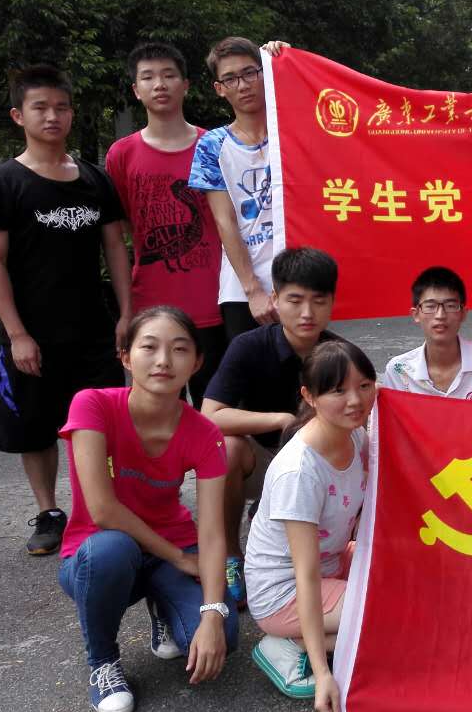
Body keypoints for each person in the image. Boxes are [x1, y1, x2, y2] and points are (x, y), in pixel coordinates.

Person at [0, 64, 131, 556]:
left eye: (61, 107)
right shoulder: (2, 184)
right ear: (18, 115)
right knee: (34, 427)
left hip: (93, 329)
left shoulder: (94, 179)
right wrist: (17, 333)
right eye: (40, 107)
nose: (52, 116)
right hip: (33, 332)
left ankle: (101, 508)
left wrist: (127, 314)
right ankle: (49, 513)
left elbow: (115, 249)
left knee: (102, 424)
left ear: (71, 113)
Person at [57, 307, 235, 712]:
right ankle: (103, 662)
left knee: (223, 637)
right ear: (125, 357)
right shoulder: (92, 405)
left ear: (197, 362)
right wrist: (177, 557)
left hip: (170, 548)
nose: (163, 361)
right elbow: (103, 510)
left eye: (179, 349)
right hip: (98, 553)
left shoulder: (206, 433)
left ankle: (163, 607)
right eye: (149, 347)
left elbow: (211, 532)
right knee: (111, 549)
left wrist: (212, 614)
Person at [201, 247, 342, 607]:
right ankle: (232, 555)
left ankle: (328, 553)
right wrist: (281, 420)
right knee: (228, 448)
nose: (307, 313)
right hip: (262, 459)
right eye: (295, 300)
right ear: (276, 299)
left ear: (332, 303)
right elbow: (210, 415)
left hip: (317, 466)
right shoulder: (248, 346)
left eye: (319, 301)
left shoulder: (339, 353)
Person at [246, 340, 375, 709]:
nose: (355, 400)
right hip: (284, 590)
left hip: (331, 561)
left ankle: (321, 633)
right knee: (387, 617)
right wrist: (323, 675)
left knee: (406, 585)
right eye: (338, 391)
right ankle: (292, 644)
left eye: (364, 385)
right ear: (309, 396)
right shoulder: (299, 472)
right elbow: (305, 575)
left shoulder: (354, 432)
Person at [106, 42, 225, 407]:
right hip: (150, 308)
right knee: (157, 415)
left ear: (185, 85)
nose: (159, 84)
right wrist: (126, 311)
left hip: (213, 305)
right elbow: (124, 228)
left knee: (214, 412)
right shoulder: (122, 155)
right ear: (136, 90)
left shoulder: (214, 146)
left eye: (169, 75)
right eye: (148, 77)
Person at [189, 37, 289, 341]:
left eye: (250, 73)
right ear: (219, 88)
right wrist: (253, 289)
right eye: (230, 78)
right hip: (242, 290)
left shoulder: (293, 132)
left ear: (264, 73)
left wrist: (285, 60)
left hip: (298, 280)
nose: (243, 85)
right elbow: (225, 221)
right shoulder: (212, 145)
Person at [383, 266, 472, 401]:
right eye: (430, 306)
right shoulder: (399, 370)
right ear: (416, 314)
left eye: (450, 306)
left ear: (463, 313)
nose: (440, 315)